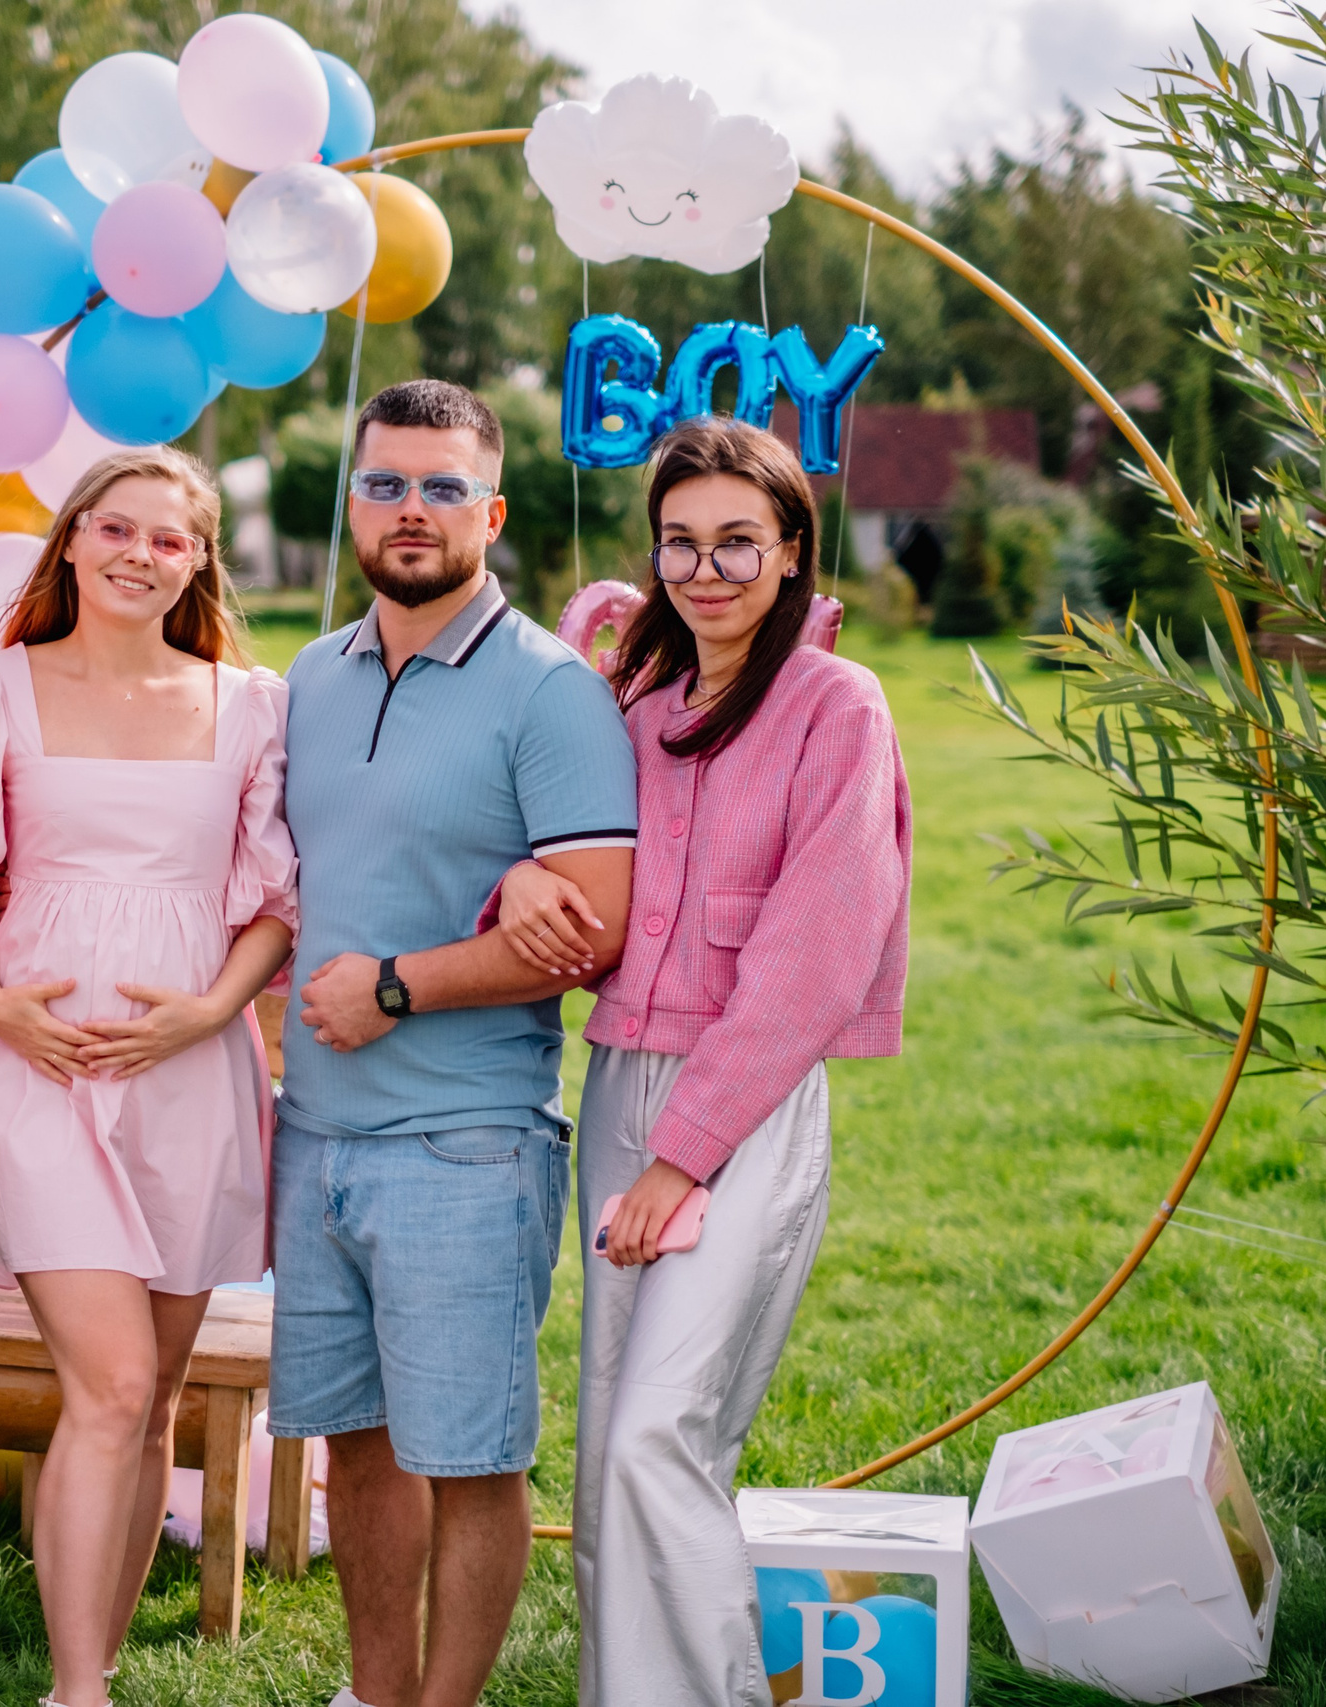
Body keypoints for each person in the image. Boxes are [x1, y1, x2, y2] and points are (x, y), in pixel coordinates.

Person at [489, 416, 912, 1707]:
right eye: (682, 541)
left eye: (740, 539)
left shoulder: (837, 706)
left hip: (745, 1103)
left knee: (656, 1430)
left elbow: (817, 953)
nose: (708, 567)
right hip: (620, 1079)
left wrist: (687, 1157)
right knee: (615, 1437)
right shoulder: (640, 699)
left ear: (793, 550)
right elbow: (555, 835)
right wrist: (522, 876)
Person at [271, 380, 639, 1707]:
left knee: (473, 1455)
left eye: (440, 488)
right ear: (352, 500)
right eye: (386, 484)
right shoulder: (311, 675)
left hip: (467, 1140)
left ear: (491, 510)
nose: (410, 511)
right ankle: (374, 1694)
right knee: (358, 1448)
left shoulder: (550, 690)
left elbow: (593, 923)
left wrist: (401, 987)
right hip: (309, 1135)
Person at [0, 445, 296, 1707]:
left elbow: (272, 904)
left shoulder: (250, 702)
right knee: (115, 1379)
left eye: (172, 538)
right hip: (32, 1064)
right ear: (73, 540)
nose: (143, 554)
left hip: (192, 1073)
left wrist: (206, 1011)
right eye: (118, 529)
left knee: (152, 1403)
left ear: (199, 559)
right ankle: (75, 1691)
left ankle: (89, 1667)